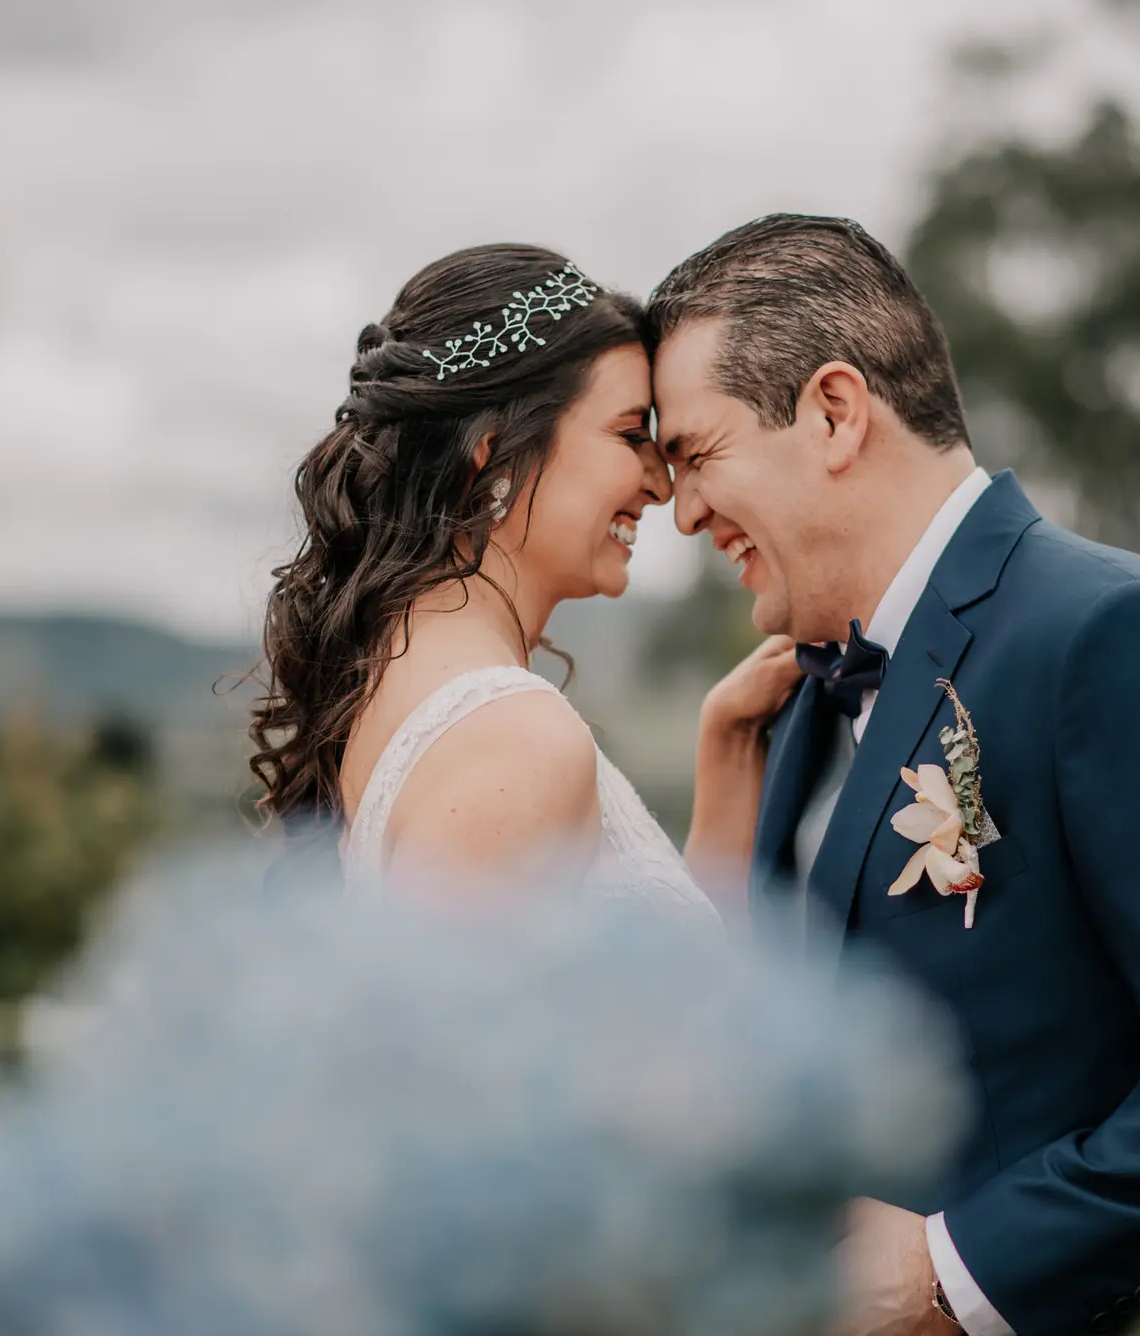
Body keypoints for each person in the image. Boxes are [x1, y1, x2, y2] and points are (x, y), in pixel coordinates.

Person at [648, 214, 1140, 1336]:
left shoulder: (1121, 635)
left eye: (695, 454)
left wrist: (955, 1273)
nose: (683, 510)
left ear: (834, 412)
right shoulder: (792, 704)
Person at [249, 244, 798, 920]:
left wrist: (726, 752)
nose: (661, 484)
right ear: (493, 460)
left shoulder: (410, 689)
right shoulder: (513, 744)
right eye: (630, 434)